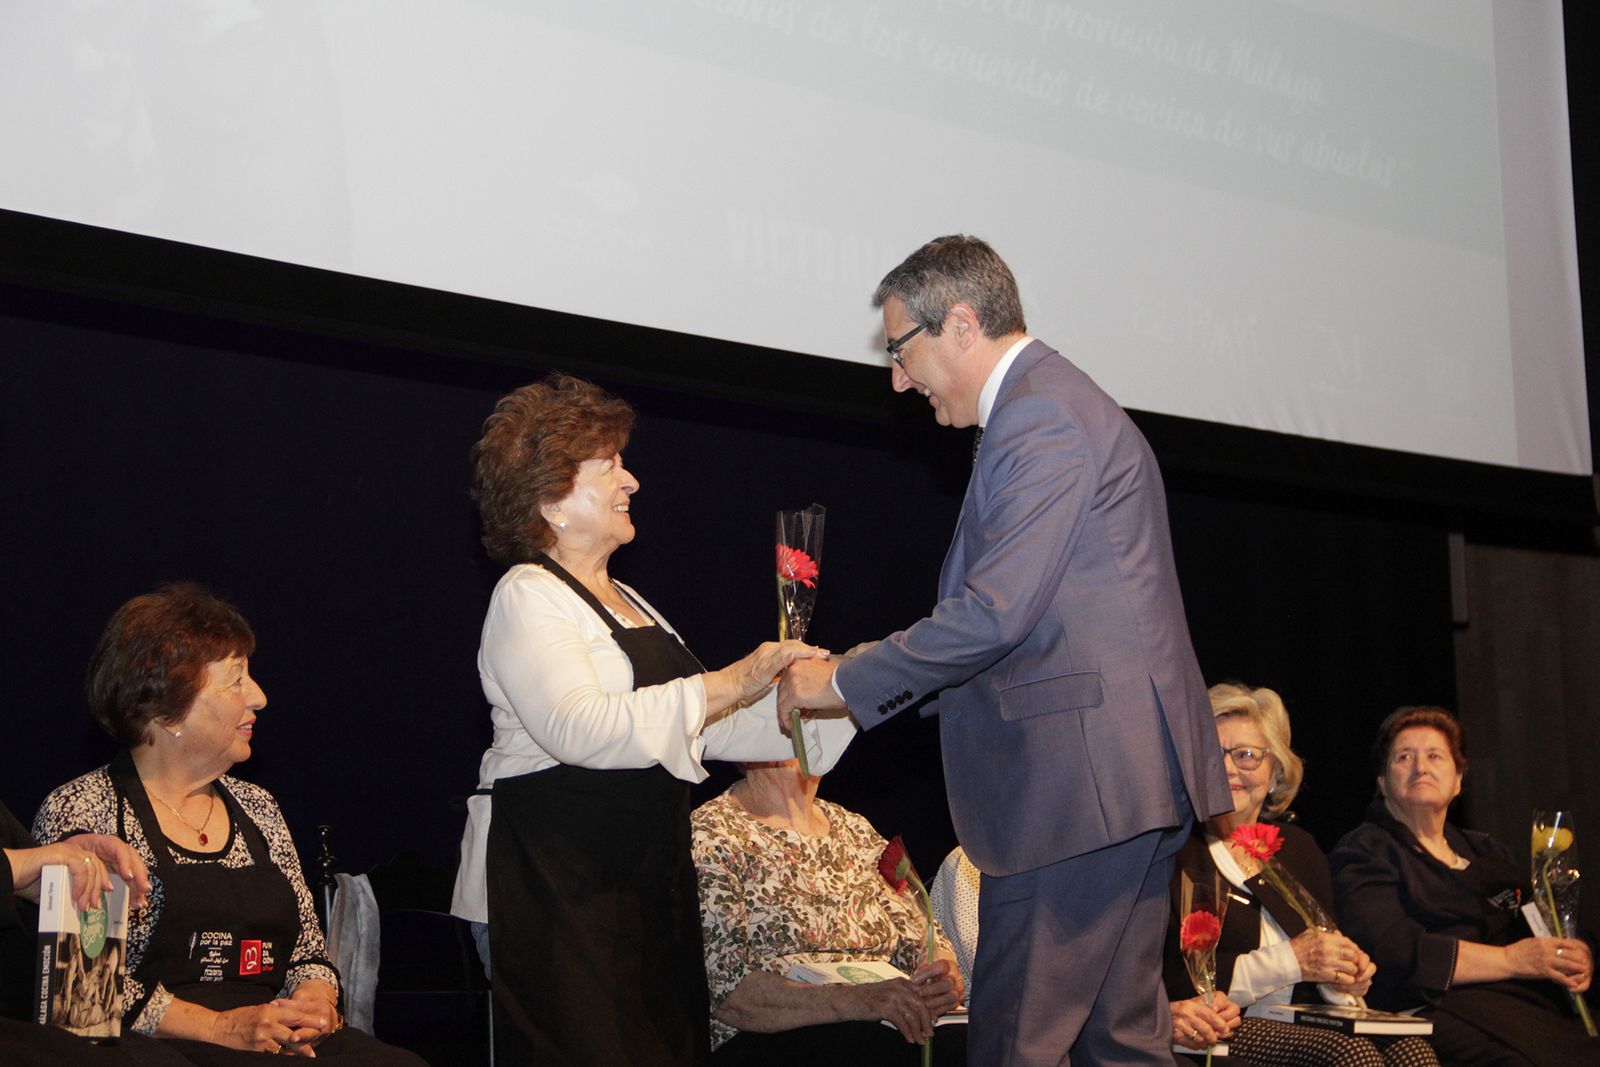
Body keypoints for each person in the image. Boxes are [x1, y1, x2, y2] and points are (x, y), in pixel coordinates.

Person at [778, 234, 1232, 1065]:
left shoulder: (1040, 415)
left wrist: (840, 680)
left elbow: (994, 616)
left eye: (900, 348)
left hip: (1078, 788)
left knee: (1018, 1043)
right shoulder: (1053, 404)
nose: (897, 378)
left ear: (959, 322)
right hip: (1121, 784)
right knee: (1120, 1044)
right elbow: (1033, 617)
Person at [449, 373, 856, 1066]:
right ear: (550, 499)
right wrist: (733, 679)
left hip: (637, 892)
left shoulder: (633, 600)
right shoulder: (526, 595)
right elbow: (580, 727)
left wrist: (845, 690)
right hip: (550, 892)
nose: (631, 481)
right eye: (610, 466)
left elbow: (715, 726)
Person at [32, 584, 424, 1065]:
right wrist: (220, 1027)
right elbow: (83, 994)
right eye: (236, 679)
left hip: (268, 1035)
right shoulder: (85, 808)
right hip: (152, 1048)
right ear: (165, 708)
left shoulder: (258, 807)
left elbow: (306, 949)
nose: (259, 696)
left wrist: (314, 1001)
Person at [1162, 683, 1438, 1067]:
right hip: (1219, 1030)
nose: (1227, 767)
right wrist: (1294, 961)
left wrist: (1342, 979)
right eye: (1214, 754)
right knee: (1348, 1054)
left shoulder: (1297, 848)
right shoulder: (1174, 849)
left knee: (1413, 1051)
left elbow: (1320, 959)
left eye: (1246, 755)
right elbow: (1172, 976)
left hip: (1299, 1022)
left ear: (1275, 772)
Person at [1330, 707, 1600, 1066]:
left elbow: (1543, 921)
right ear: (1382, 781)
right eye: (1404, 756)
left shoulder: (1486, 850)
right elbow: (1393, 951)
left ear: (1458, 780)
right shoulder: (1363, 850)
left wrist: (1579, 951)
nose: (1420, 767)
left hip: (1523, 1002)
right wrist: (1510, 960)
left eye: (1435, 756)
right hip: (1436, 1006)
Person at [691, 758, 964, 1065]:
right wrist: (854, 1001)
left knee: (978, 1043)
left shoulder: (855, 829)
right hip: (773, 1038)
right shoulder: (713, 833)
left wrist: (939, 973)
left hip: (879, 1024)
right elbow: (727, 991)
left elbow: (923, 933)